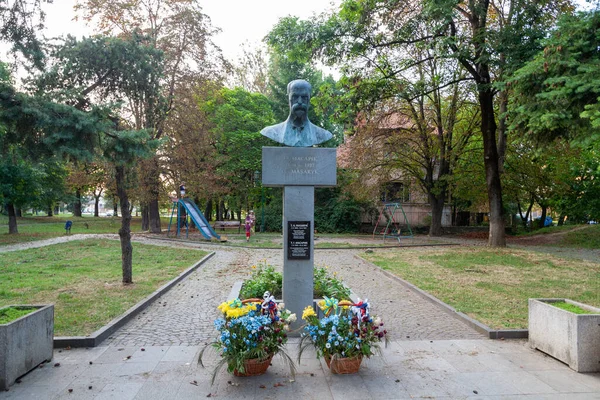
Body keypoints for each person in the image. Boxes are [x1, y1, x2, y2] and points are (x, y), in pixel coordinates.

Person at [260, 79, 333, 147]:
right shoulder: (272, 132)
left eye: (304, 97)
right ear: (288, 99)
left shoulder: (323, 134)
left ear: (309, 100)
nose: (300, 102)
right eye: (295, 97)